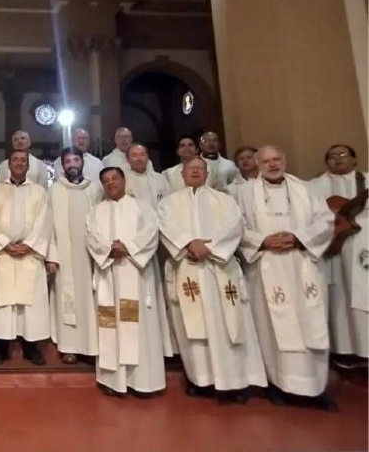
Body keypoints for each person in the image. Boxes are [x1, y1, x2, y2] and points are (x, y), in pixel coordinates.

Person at [159, 157, 266, 402]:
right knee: (194, 328)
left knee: (228, 326)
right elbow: (165, 226)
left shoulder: (225, 200)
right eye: (190, 169)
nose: (195, 172)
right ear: (182, 174)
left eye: (199, 169)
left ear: (207, 173)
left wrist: (212, 247)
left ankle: (235, 383)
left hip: (220, 269)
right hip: (188, 268)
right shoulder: (169, 203)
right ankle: (200, 380)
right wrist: (188, 243)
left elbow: (234, 227)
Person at [237, 145, 336, 410]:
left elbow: (325, 221)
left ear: (284, 160)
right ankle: (279, 384)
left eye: (276, 159)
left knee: (310, 322)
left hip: (302, 263)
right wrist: (263, 240)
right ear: (258, 165)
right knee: (271, 326)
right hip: (267, 266)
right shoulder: (245, 193)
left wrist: (298, 238)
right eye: (266, 161)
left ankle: (316, 387)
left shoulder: (306, 190)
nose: (272, 165)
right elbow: (237, 226)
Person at [86, 167, 166, 396]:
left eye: (115, 178)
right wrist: (109, 250)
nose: (111, 183)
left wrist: (128, 247)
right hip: (108, 275)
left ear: (124, 180)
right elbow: (90, 236)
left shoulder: (142, 206)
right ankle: (113, 381)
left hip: (135, 273)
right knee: (110, 324)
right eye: (106, 180)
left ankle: (142, 382)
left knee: (136, 325)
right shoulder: (96, 211)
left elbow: (152, 232)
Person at [0, 150, 52, 366]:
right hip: (3, 254)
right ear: (9, 164)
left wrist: (30, 244)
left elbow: (44, 222)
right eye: (16, 160)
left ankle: (31, 347)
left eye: (24, 160)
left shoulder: (39, 192)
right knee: (2, 305)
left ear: (28, 165)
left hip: (29, 255)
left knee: (29, 305)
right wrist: (4, 243)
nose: (19, 163)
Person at [308, 144, 368, 366]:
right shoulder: (315, 186)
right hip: (333, 247)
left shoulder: (366, 180)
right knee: (338, 298)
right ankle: (344, 350)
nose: (337, 159)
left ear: (355, 160)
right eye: (332, 156)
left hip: (364, 245)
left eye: (343, 154)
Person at [46, 147, 103, 364]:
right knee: (66, 299)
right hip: (64, 256)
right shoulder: (54, 190)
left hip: (91, 256)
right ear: (62, 164)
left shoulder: (94, 190)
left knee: (92, 299)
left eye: (75, 160)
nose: (72, 164)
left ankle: (93, 345)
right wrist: (51, 256)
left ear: (82, 162)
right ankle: (69, 346)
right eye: (67, 161)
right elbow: (48, 225)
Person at [124, 144, 170, 211]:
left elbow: (168, 202)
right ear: (127, 159)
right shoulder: (123, 181)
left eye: (142, 154)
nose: (139, 159)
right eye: (134, 155)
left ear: (147, 157)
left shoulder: (159, 178)